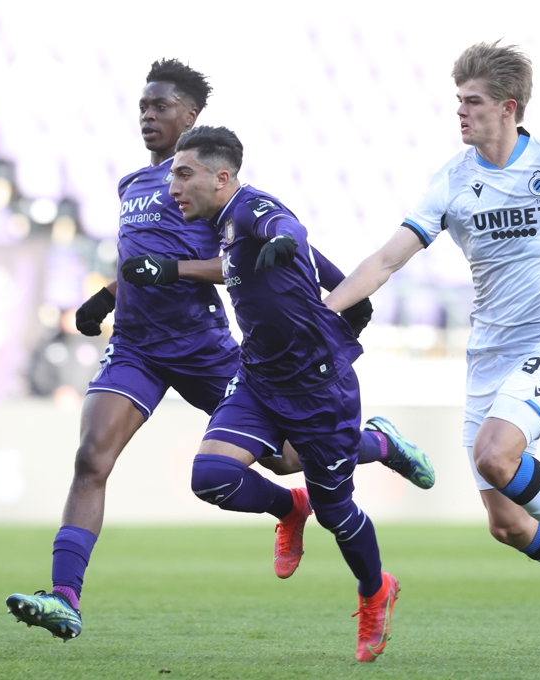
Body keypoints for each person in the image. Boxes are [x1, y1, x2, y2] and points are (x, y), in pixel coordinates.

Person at [6, 59, 432, 642]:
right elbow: (142, 260)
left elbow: (236, 258)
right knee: (91, 460)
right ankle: (65, 596)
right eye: (142, 106)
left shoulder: (212, 185)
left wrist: (175, 270)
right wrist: (107, 296)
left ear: (190, 116)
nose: (148, 116)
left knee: (288, 458)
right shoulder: (132, 185)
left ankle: (372, 446)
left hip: (201, 344)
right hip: (135, 346)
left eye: (160, 106)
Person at [322, 42, 540, 656]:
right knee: (507, 525)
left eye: (472, 102)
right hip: (488, 359)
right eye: (458, 101)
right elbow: (387, 259)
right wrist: (326, 312)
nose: (461, 112)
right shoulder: (453, 180)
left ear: (508, 106)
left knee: (496, 456)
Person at [166, 125, 400, 663]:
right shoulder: (224, 227)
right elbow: (307, 260)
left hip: (319, 388)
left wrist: (281, 240)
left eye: (183, 174)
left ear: (221, 177)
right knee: (211, 477)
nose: (173, 186)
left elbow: (287, 227)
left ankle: (375, 590)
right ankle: (290, 507)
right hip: (258, 379)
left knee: (337, 514)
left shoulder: (252, 208)